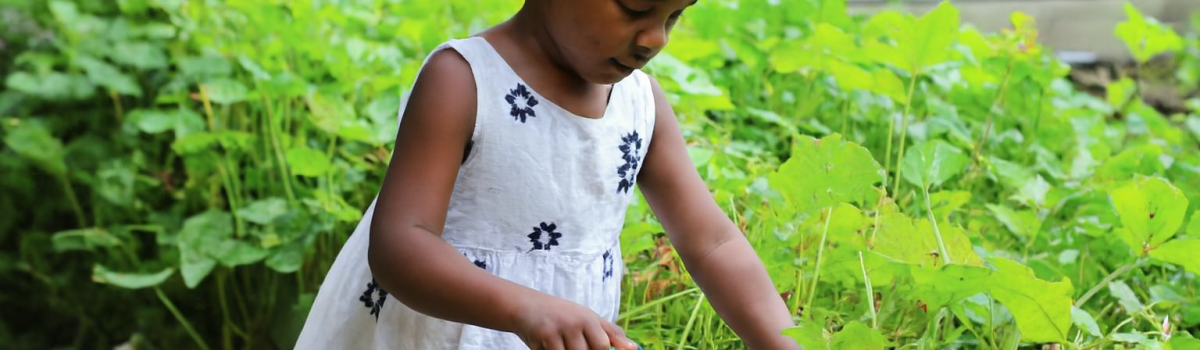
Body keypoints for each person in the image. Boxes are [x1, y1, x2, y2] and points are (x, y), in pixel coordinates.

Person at [294, 0, 801, 349]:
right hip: (442, 332)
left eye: (675, 14)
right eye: (634, 8)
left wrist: (781, 341)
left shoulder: (641, 105)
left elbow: (712, 243)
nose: (655, 37)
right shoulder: (463, 81)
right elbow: (400, 246)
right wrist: (524, 309)